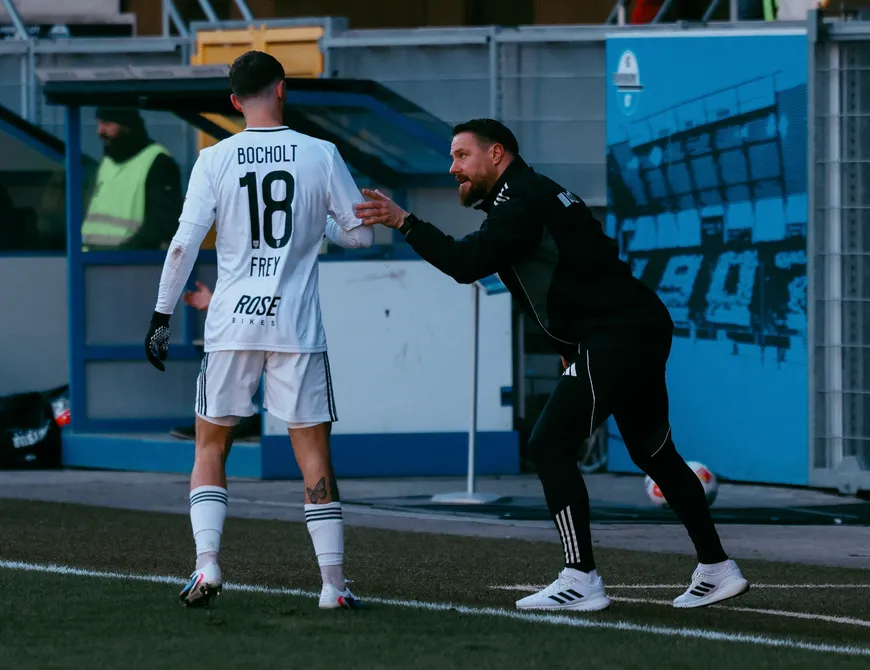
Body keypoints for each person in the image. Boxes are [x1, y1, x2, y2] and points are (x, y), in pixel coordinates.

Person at [354, 118, 750, 612]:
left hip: (618, 335)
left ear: (497, 154)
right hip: (632, 327)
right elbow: (582, 263)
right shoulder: (533, 193)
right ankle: (716, 568)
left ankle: (580, 577)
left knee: (548, 444)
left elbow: (464, 263)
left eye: (461, 155)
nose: (453, 167)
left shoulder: (518, 200)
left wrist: (403, 222)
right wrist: (571, 340)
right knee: (655, 454)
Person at [144, 50, 373, 609]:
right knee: (313, 452)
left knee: (211, 444)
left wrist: (161, 314)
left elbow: (183, 243)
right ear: (282, 89)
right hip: (295, 326)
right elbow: (361, 236)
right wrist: (313, 225)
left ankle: (207, 567)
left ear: (232, 101)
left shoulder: (214, 159)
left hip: (231, 324)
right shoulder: (321, 154)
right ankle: (332, 585)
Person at [82, 108, 182, 251]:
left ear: (127, 126)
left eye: (107, 124)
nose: (100, 131)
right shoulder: (107, 162)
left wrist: (128, 252)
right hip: (90, 260)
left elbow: (162, 222)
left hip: (130, 265)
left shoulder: (158, 162)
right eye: (99, 124)